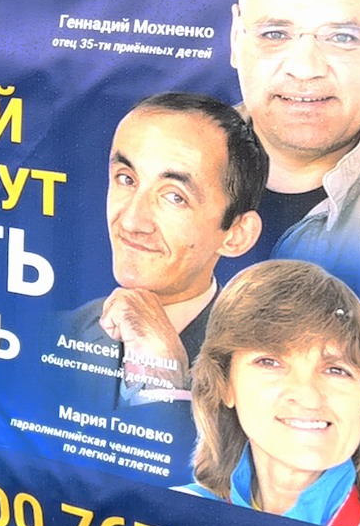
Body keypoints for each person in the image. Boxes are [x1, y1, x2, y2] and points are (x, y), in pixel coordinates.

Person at [224, 0, 360, 326]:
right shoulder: (163, 160)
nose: (305, 68)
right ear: (235, 39)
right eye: (274, 33)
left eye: (343, 37)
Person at [61, 92, 267, 409]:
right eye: (126, 179)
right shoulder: (58, 330)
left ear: (236, 235)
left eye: (174, 197)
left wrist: (163, 379)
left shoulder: (264, 371)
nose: (130, 221)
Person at [180, 259, 360, 526]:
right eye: (270, 361)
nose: (308, 396)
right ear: (225, 384)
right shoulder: (174, 515)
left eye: (336, 369)